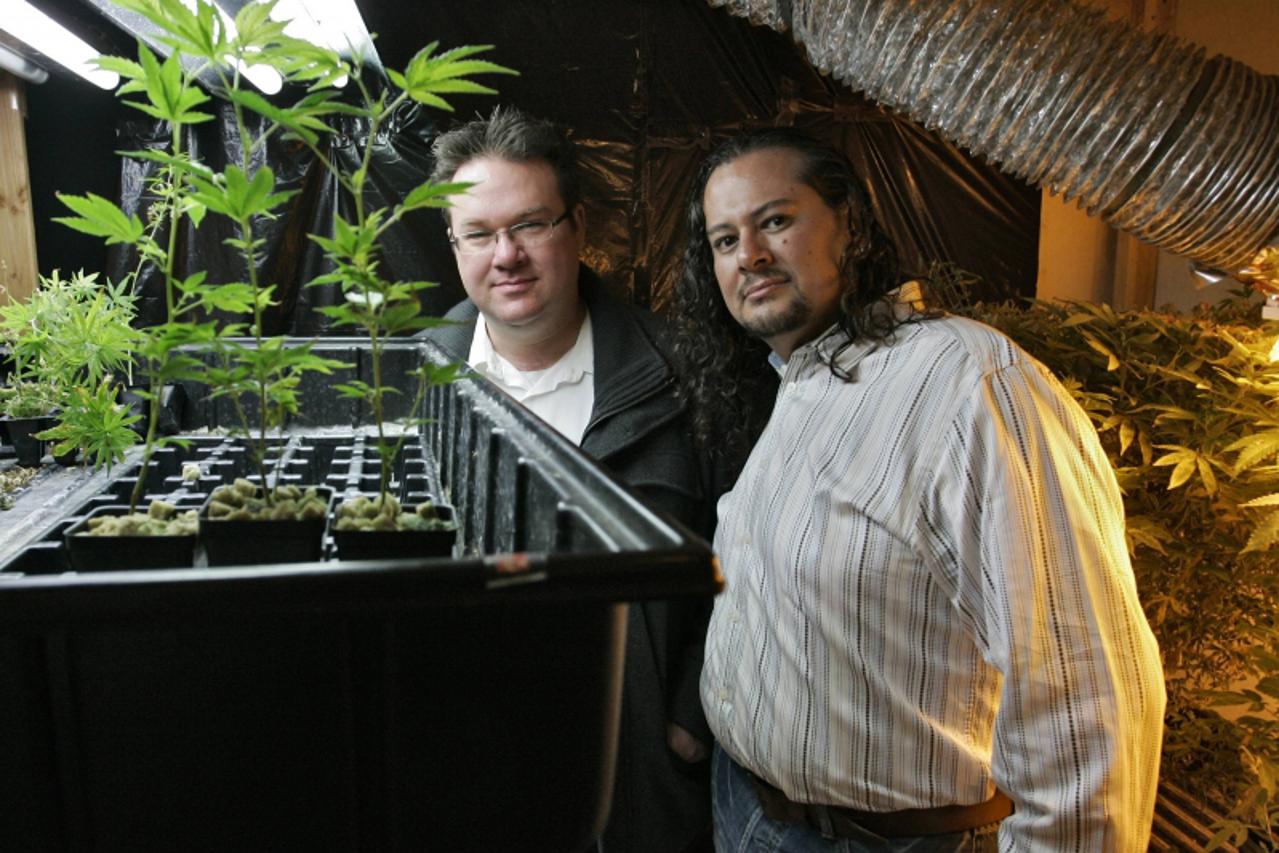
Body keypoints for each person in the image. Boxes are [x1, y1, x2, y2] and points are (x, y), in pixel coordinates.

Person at [670, 128, 1166, 851]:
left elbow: (1081, 691)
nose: (747, 254)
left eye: (775, 221)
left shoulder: (968, 380)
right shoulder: (798, 382)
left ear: (849, 223)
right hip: (748, 808)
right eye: (723, 239)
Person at [422, 106, 717, 853]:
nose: (507, 255)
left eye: (530, 224)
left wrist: (691, 709)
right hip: (465, 751)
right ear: (453, 244)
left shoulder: (681, 373)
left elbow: (753, 546)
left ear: (578, 226)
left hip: (633, 762)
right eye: (480, 233)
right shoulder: (417, 378)